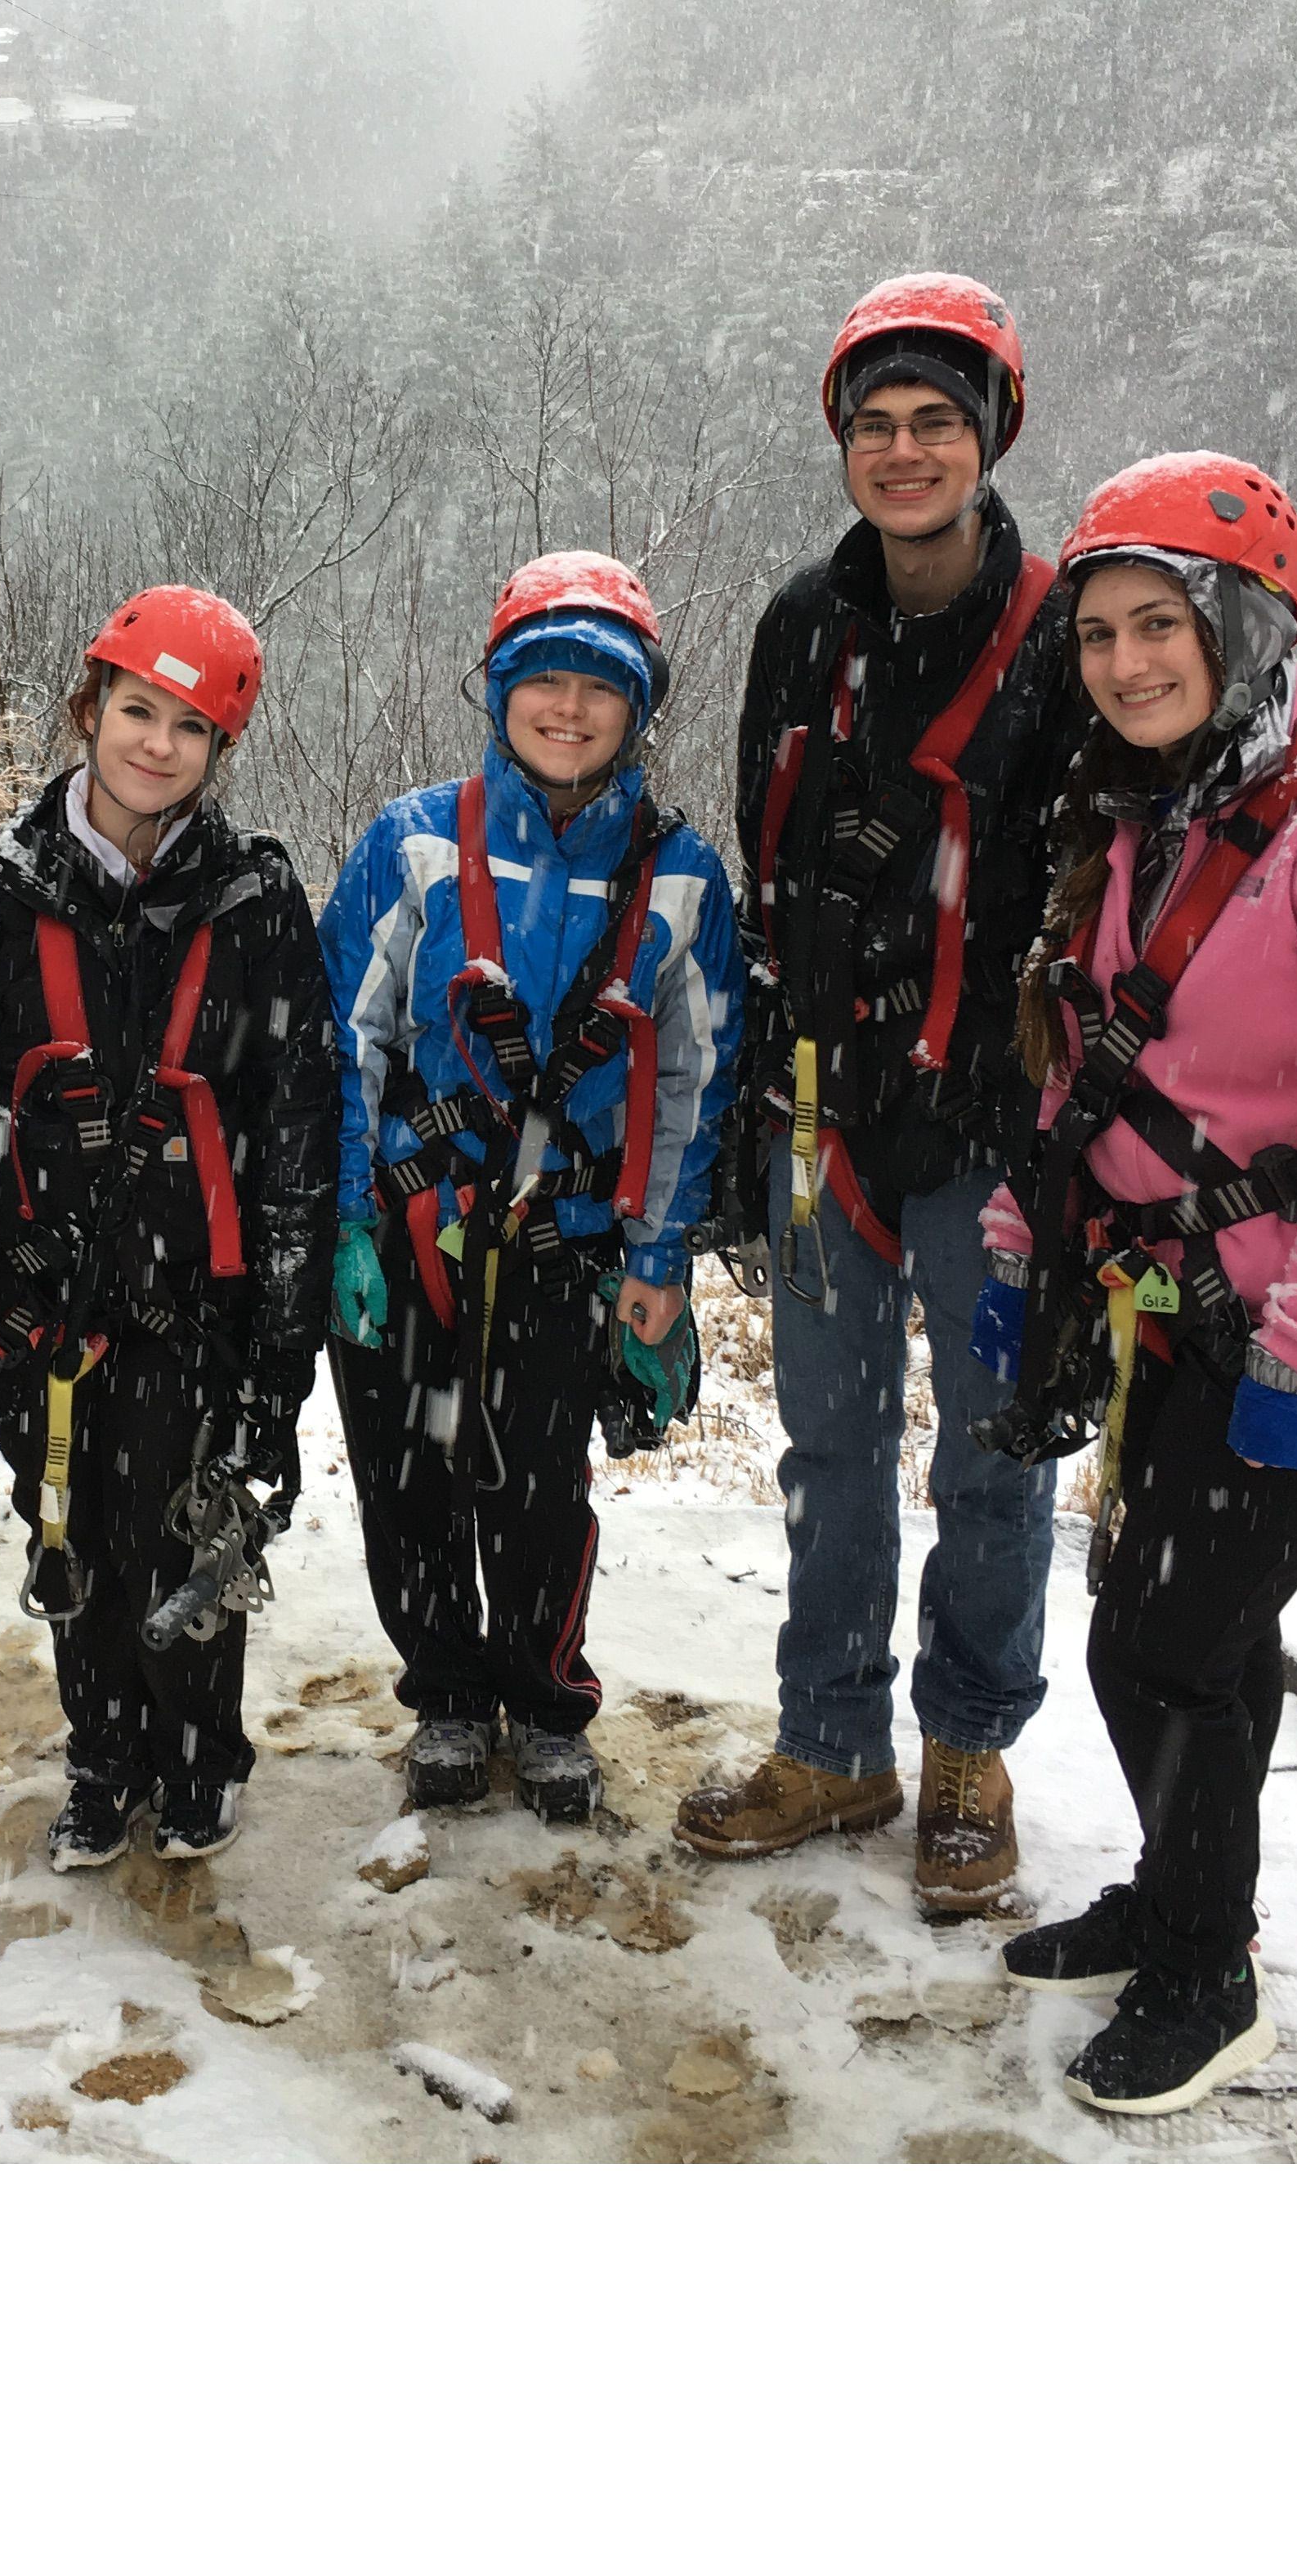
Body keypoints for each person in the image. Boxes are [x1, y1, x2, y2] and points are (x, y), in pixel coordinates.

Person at [970, 453, 1297, 2112]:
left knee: (1161, 1640)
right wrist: (1015, 1247)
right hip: (1182, 1311)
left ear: (1244, 628)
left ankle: (1208, 1973)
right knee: (1188, 1626)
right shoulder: (1135, 820)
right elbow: (1086, 1069)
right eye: (1100, 634)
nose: (1124, 663)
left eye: (1161, 625)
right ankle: (1182, 1900)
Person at [677, 274, 1090, 1915]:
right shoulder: (805, 627)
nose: (905, 452)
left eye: (937, 423)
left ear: (990, 436)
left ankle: (967, 1752)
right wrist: (768, 1098)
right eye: (876, 426)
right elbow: (767, 871)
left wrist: (1010, 1072)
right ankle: (833, 1739)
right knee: (830, 1446)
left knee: (994, 1449)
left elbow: (1088, 882)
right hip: (824, 1114)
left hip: (991, 1128)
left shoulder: (1065, 629)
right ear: (842, 444)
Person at [0, 589, 335, 1874]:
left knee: (194, 1521)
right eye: (137, 711)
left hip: (198, 1284)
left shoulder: (252, 901)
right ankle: (105, 1753)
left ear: (219, 750)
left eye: (191, 726)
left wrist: (284, 1334)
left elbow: (298, 1119)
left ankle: (198, 1760)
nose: (156, 745)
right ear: (89, 710)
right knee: (66, 1520)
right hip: (36, 1280)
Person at [323, 553, 743, 1826]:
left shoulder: (679, 877)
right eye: (542, 678)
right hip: (418, 1228)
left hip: (568, 1240)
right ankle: (448, 1695)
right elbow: (349, 1041)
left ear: (637, 708)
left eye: (599, 685)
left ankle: (548, 1700)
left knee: (542, 1491)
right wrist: (349, 1212)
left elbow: (695, 1080)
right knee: (412, 1479)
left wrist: (662, 1257)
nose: (568, 707)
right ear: (499, 691)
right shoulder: (412, 845)